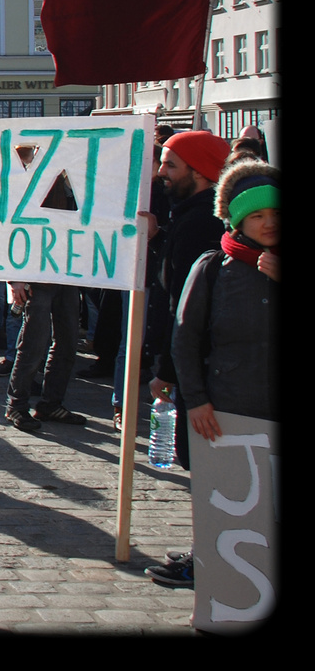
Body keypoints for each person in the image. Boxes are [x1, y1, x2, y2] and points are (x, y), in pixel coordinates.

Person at [151, 159, 278, 590]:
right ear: (238, 219)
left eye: (275, 215)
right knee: (227, 499)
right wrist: (197, 399)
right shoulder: (213, 268)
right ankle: (211, 564)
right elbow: (185, 339)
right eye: (257, 216)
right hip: (226, 408)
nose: (268, 225)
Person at [145, 130, 229, 464]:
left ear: (197, 171)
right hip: (189, 362)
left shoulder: (199, 222)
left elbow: (182, 304)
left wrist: (167, 370)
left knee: (198, 457)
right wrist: (158, 239)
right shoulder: (188, 216)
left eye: (170, 165)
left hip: (193, 364)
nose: (161, 172)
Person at [1, 280, 85, 432]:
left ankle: (51, 404)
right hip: (37, 280)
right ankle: (16, 405)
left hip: (67, 277)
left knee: (67, 344)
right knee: (33, 345)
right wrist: (14, 280)